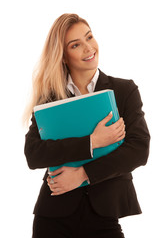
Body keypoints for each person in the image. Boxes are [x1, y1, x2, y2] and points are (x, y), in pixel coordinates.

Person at [24, 13, 150, 238]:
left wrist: (84, 174)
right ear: (63, 56)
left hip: (105, 216)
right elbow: (33, 154)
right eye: (75, 45)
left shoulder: (124, 90)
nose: (88, 48)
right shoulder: (50, 99)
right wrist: (92, 141)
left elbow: (139, 150)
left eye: (89, 37)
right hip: (53, 217)